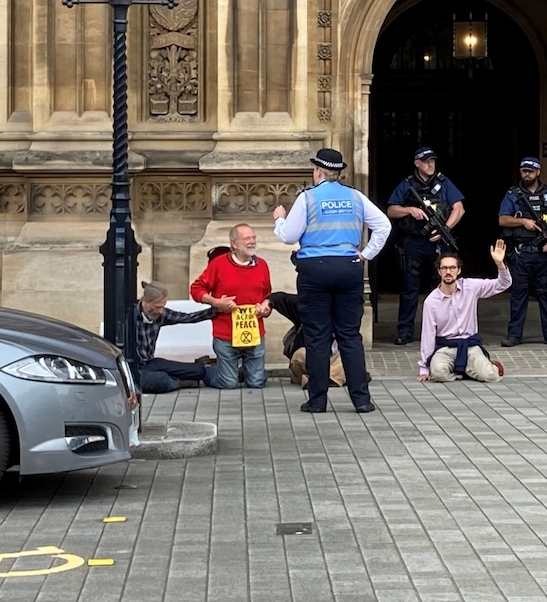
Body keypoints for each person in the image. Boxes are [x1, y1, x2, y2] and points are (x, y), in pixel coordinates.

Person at [274, 147, 392, 414]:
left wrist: (279, 220)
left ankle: (317, 401)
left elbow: (289, 236)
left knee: (317, 336)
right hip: (349, 267)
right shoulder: (356, 197)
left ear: (317, 171)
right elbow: (384, 225)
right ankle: (361, 399)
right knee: (350, 335)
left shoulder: (308, 199)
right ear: (337, 173)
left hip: (314, 270)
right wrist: (366, 254)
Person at [387, 146, 465, 346]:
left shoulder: (443, 182)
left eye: (433, 161)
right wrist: (409, 209)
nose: (430, 164)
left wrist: (445, 229)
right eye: (426, 161)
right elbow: (391, 211)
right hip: (413, 242)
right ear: (417, 163)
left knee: (441, 287)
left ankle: (442, 330)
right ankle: (405, 332)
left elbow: (459, 208)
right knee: (409, 288)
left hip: (438, 242)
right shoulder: (407, 184)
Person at [189, 223, 273, 390]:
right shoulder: (218, 264)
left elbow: (267, 296)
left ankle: (246, 372)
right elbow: (196, 289)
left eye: (254, 238)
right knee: (228, 384)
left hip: (254, 332)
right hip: (225, 333)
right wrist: (216, 302)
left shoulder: (262, 265)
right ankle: (207, 370)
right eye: (247, 238)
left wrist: (266, 308)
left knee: (256, 383)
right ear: (234, 243)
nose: (252, 242)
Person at [418, 240, 510, 383]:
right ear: (439, 271)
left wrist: (499, 263)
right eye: (444, 268)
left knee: (491, 376)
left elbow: (503, 284)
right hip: (446, 348)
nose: (448, 272)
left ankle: (476, 367)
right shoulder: (431, 301)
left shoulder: (471, 287)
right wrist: (424, 368)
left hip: (470, 346)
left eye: (452, 268)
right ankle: (464, 371)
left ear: (459, 270)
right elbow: (428, 336)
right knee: (437, 374)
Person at [499, 157, 547, 347]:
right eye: (523, 171)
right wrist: (523, 222)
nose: (526, 174)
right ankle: (514, 335)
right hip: (522, 254)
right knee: (518, 295)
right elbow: (502, 219)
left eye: (530, 171)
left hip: (544, 254)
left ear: (538, 172)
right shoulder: (513, 194)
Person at [132, 280, 218, 393]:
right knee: (159, 380)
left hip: (151, 362)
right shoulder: (130, 316)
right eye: (157, 307)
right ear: (146, 302)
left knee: (199, 371)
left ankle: (182, 377)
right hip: (133, 368)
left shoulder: (160, 314)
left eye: (163, 306)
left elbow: (187, 317)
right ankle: (180, 382)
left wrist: (216, 310)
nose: (161, 311)